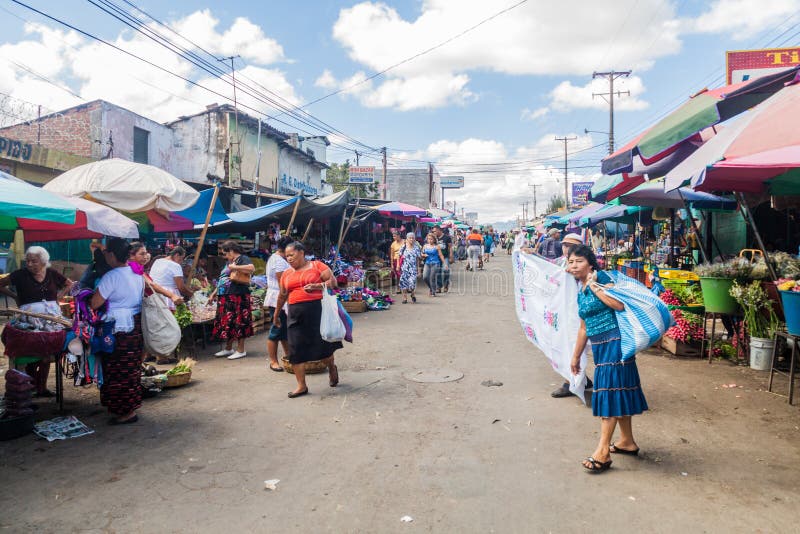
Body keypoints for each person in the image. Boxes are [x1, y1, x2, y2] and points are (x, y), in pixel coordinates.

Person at [567, 245, 648, 473]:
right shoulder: (580, 289)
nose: (573, 265)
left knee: (609, 393)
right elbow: (584, 328)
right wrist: (575, 357)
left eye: (578, 261)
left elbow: (619, 304)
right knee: (619, 391)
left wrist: (595, 286)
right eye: (570, 262)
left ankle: (602, 452)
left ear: (590, 264)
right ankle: (627, 442)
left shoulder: (601, 278)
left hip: (615, 342)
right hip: (601, 346)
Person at [0, 246, 74, 396]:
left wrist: (59, 297)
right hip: (29, 317)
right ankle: (31, 384)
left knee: (48, 351)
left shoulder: (52, 274)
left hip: (52, 318)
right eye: (27, 261)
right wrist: (14, 296)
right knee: (32, 348)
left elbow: (70, 284)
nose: (29, 264)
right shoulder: (20, 274)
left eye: (34, 261)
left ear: (43, 261)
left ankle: (42, 387)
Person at [273, 242, 341, 398]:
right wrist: (276, 314)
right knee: (295, 349)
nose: (289, 258)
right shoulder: (286, 274)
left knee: (324, 348)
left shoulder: (316, 266)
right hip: (295, 314)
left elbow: (334, 283)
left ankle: (331, 367)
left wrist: (317, 286)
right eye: (287, 256)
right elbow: (283, 295)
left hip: (317, 311)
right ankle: (301, 386)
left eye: (291, 255)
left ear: (301, 252)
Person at [90, 238, 144, 425]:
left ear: (112, 254)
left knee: (116, 370)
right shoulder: (137, 274)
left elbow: (95, 303)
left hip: (116, 329)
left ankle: (125, 412)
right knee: (130, 369)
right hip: (134, 326)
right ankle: (130, 406)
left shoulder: (111, 277)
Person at [550, 233, 594, 398]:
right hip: (566, 312)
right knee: (568, 344)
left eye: (570, 245)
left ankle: (571, 382)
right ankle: (582, 379)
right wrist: (531, 254)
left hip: (581, 314)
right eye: (564, 244)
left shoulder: (584, 266)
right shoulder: (562, 262)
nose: (566, 248)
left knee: (574, 345)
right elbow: (548, 266)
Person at [128, 242, 184, 364]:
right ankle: (157, 358)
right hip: (136, 309)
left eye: (146, 253)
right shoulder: (133, 268)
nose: (146, 256)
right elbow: (151, 284)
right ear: (131, 256)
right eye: (141, 254)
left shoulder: (138, 268)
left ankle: (146, 362)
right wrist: (172, 295)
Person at [211, 240, 255, 360]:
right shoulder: (229, 262)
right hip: (225, 295)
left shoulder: (242, 259)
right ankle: (228, 348)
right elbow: (223, 279)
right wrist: (214, 293)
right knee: (228, 323)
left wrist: (234, 267)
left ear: (231, 251)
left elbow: (251, 268)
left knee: (239, 322)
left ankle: (241, 350)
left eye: (225, 253)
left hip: (238, 296)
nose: (225, 256)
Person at [265, 237, 292, 372]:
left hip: (280, 296)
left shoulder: (278, 259)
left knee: (284, 330)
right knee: (276, 330)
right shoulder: (278, 261)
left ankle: (289, 356)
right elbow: (283, 284)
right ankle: (273, 361)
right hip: (278, 297)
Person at [397, 232, 422, 303]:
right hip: (404, 268)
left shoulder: (417, 248)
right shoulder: (403, 247)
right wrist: (398, 265)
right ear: (407, 239)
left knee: (412, 283)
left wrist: (419, 270)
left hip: (413, 269)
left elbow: (417, 260)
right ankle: (405, 298)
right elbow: (399, 256)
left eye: (413, 238)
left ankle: (412, 294)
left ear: (414, 239)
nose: (411, 239)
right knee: (403, 283)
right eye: (410, 238)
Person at [434, 226, 453, 293]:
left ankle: (446, 285)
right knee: (438, 272)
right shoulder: (434, 238)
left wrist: (451, 256)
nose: (434, 232)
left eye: (435, 231)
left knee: (446, 270)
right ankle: (439, 287)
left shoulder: (447, 237)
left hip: (445, 257)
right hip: (437, 257)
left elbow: (450, 247)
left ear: (439, 230)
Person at [389, 230, 404, 295]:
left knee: (404, 273)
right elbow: (392, 254)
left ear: (398, 236)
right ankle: (398, 288)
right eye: (393, 236)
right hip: (395, 260)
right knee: (398, 275)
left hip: (403, 259)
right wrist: (392, 264)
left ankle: (406, 287)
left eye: (395, 236)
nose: (394, 237)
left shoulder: (405, 242)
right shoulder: (393, 244)